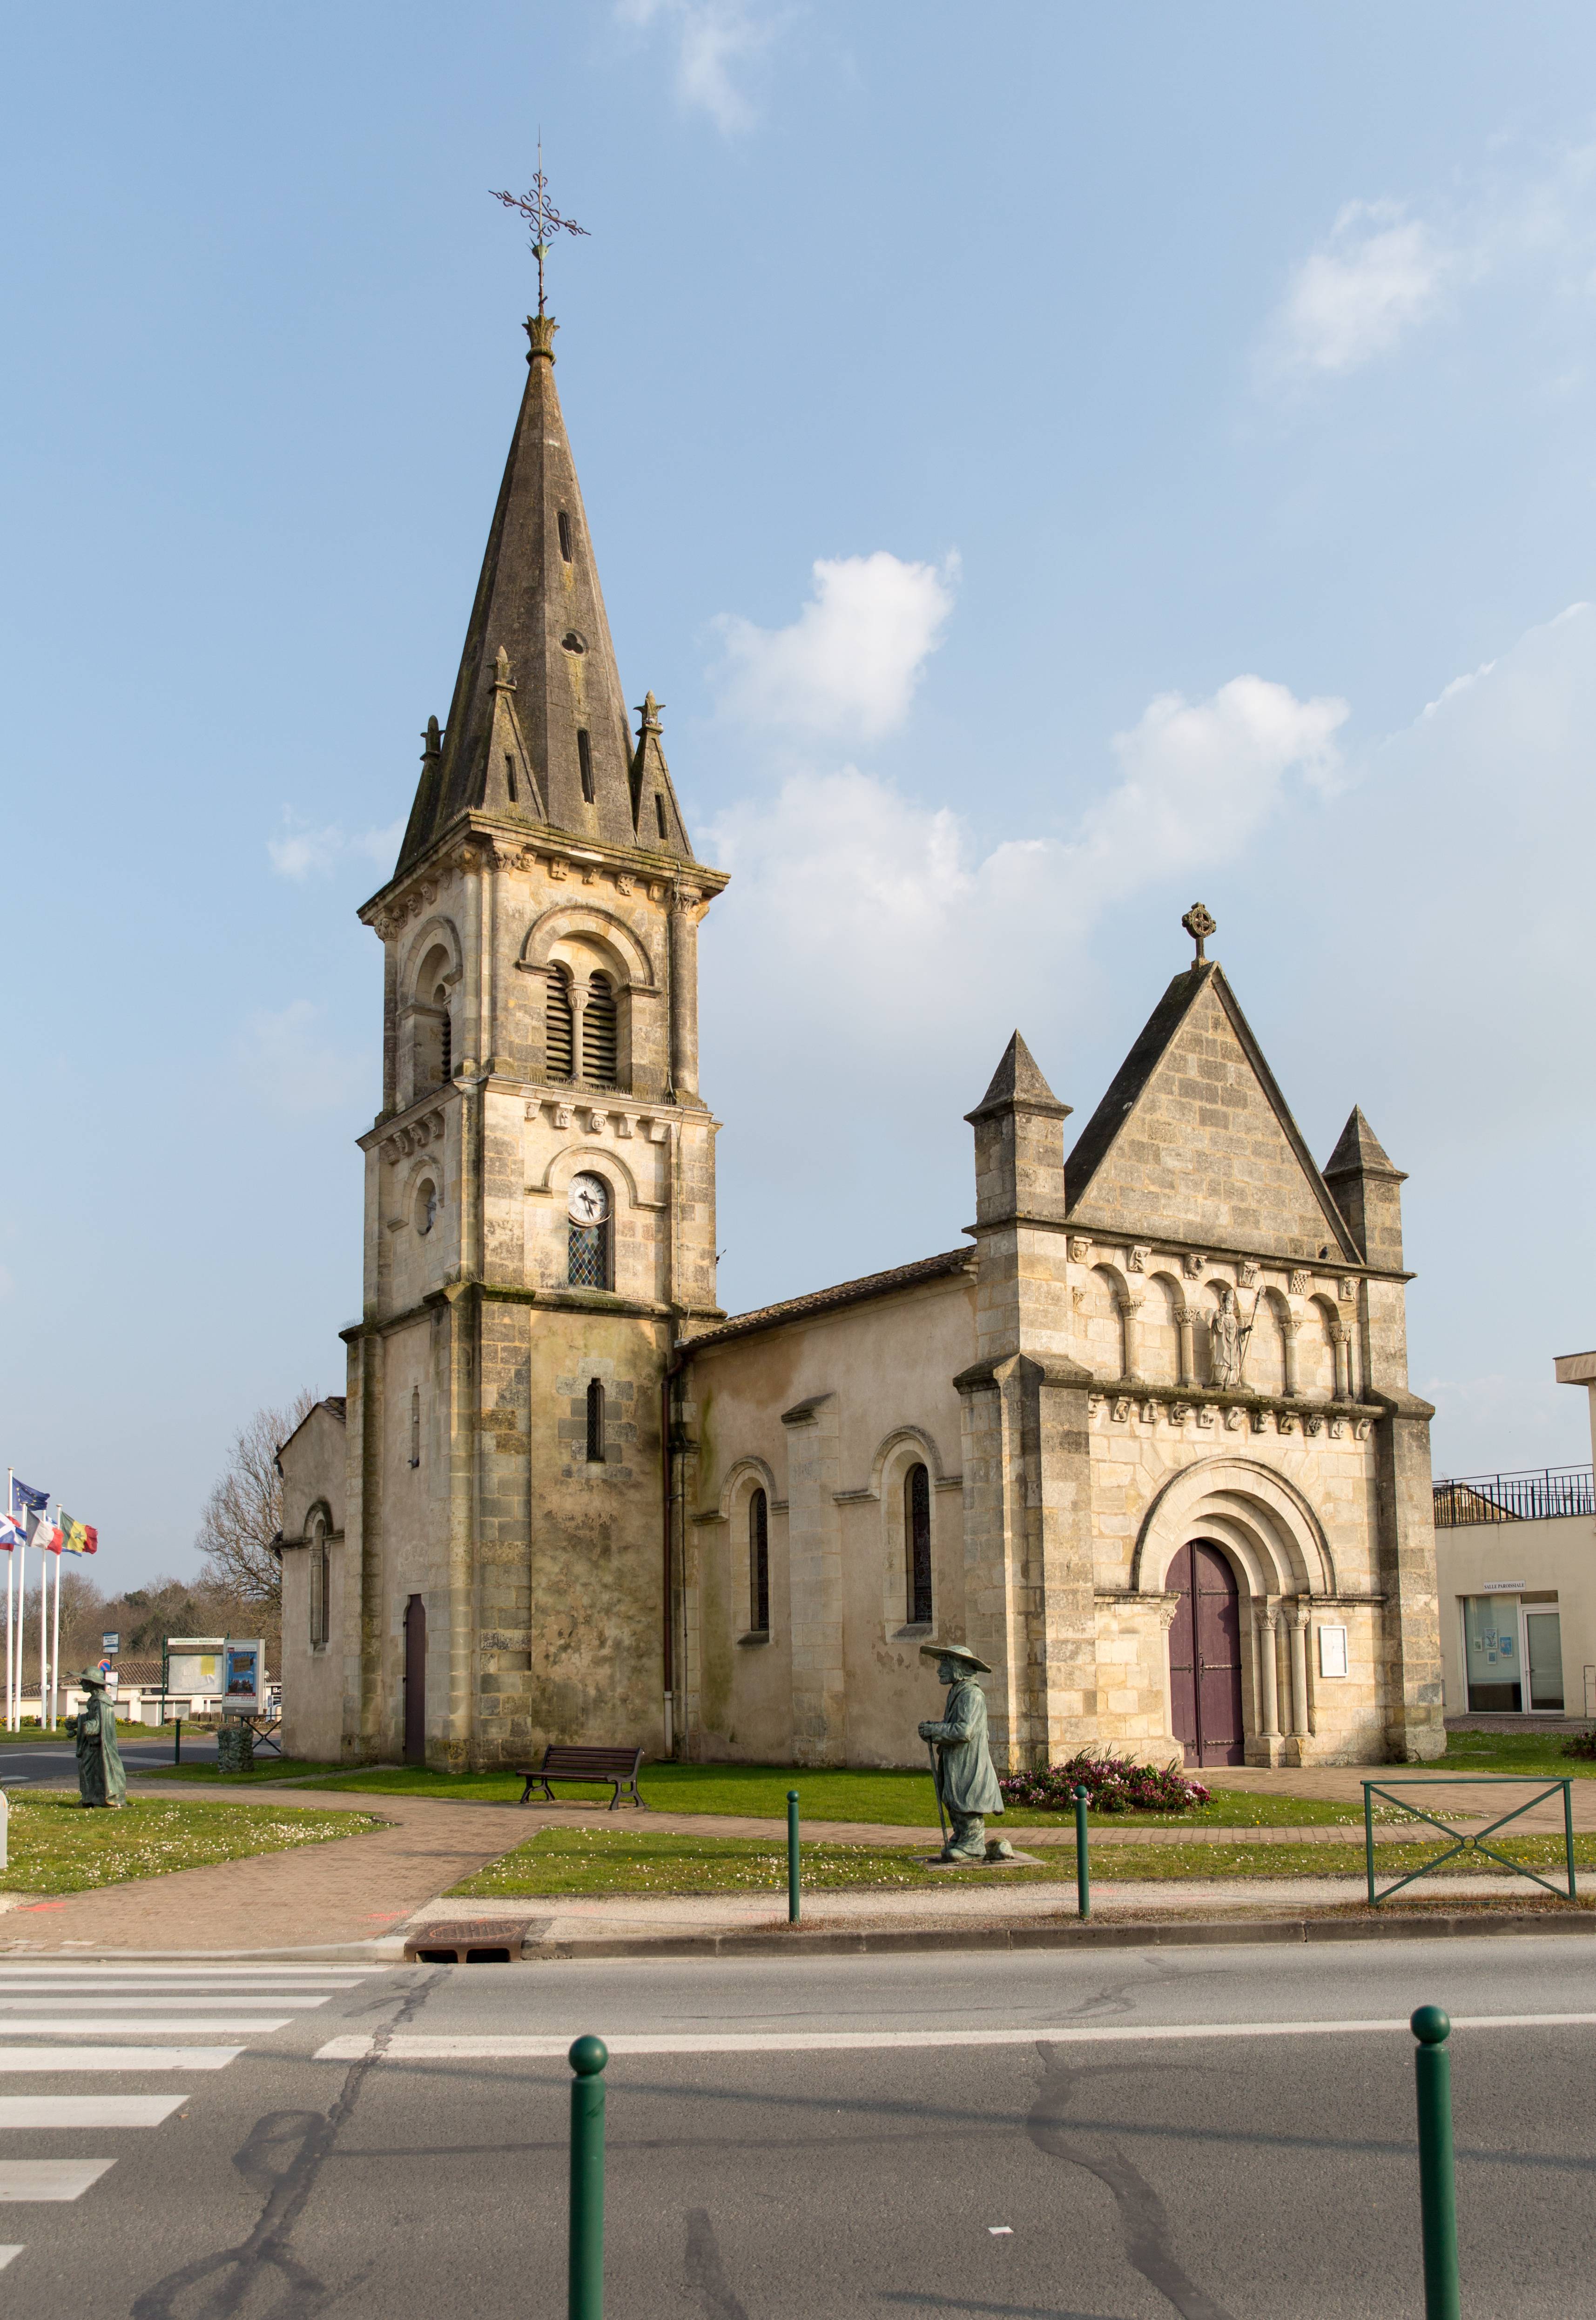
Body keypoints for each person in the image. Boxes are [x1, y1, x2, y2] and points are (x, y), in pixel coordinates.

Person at [917, 1642, 1011, 1863]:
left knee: (966, 1800)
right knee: (953, 1797)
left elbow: (965, 1730)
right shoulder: (958, 1692)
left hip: (970, 1762)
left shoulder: (972, 1695)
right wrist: (934, 1730)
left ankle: (973, 1846)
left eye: (944, 1665)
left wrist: (935, 1730)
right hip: (957, 1761)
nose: (940, 1670)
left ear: (957, 1667)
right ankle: (962, 1838)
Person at [65, 1669, 126, 1808]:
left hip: (99, 1746)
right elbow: (92, 1718)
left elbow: (98, 1725)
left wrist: (83, 1726)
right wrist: (77, 1722)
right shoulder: (95, 1701)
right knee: (90, 1770)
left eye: (85, 1681)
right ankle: (92, 1798)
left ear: (92, 1683)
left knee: (89, 1770)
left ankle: (96, 1799)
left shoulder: (101, 1702)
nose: (81, 1683)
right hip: (94, 1745)